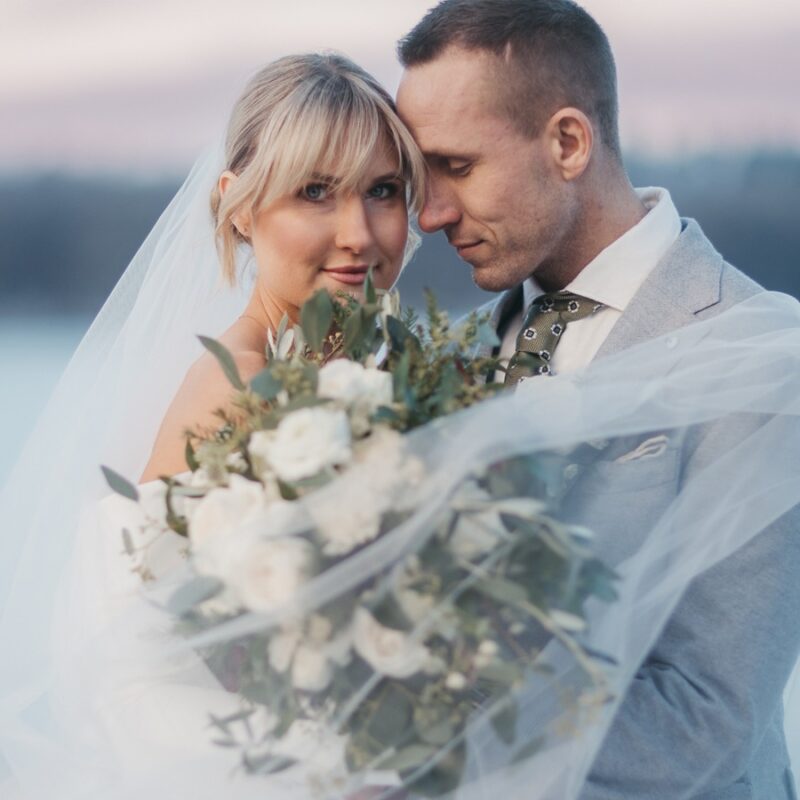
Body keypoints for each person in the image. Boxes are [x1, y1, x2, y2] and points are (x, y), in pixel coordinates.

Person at [395, 1, 800, 798]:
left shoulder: (762, 360)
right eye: (419, 175)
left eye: (458, 167)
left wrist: (411, 732)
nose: (431, 213)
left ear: (568, 143)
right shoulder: (449, 359)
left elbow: (708, 725)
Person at [141, 53, 425, 481]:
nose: (359, 236)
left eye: (382, 190)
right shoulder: (242, 389)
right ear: (240, 208)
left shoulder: (398, 374)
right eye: (314, 192)